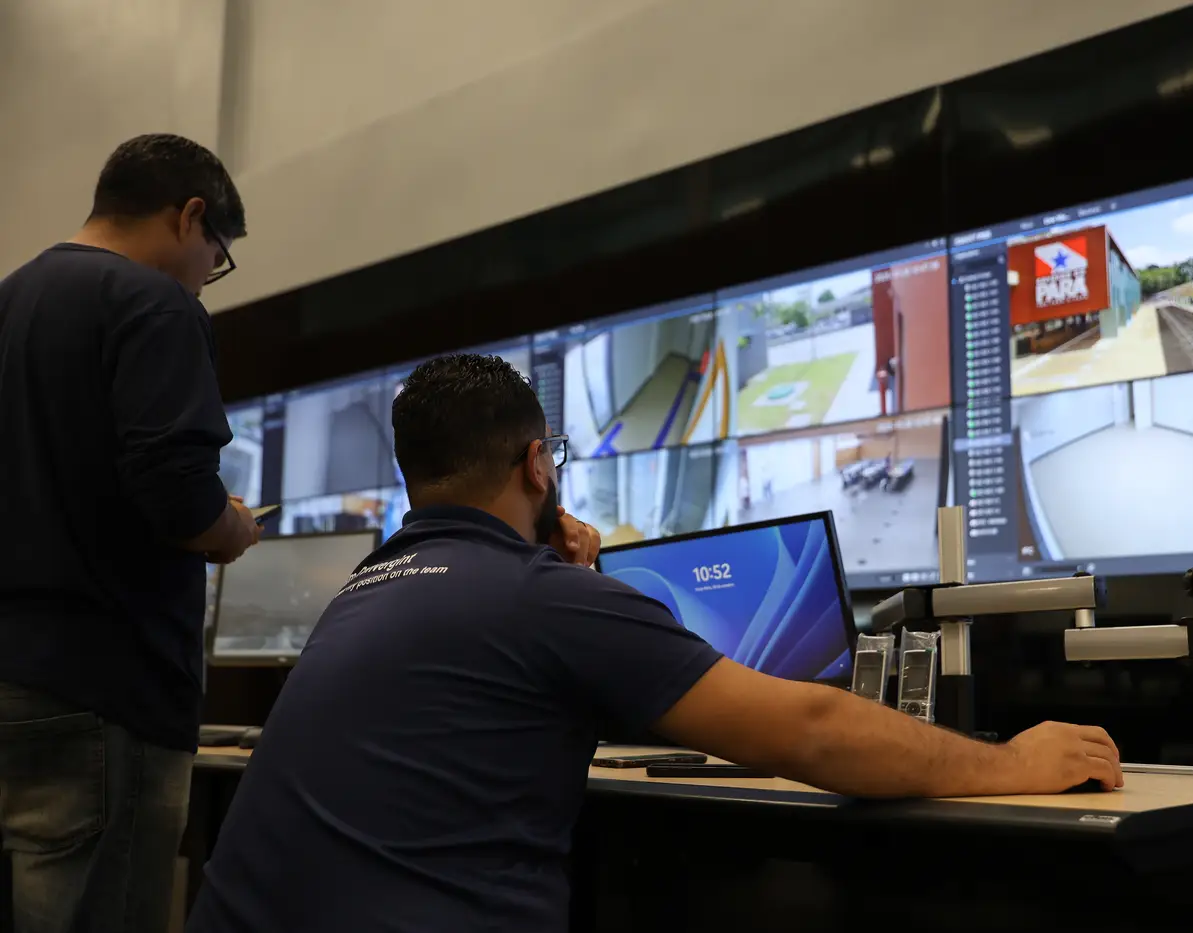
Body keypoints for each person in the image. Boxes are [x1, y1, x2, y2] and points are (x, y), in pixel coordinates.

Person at [186, 354, 1122, 933]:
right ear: (538, 464)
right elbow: (812, 729)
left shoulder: (366, 587)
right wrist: (1014, 760)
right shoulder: (540, 596)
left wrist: (570, 582)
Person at [0, 134, 261, 932]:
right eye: (216, 255)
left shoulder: (11, 298)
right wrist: (229, 528)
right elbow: (177, 492)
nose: (206, 275)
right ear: (190, 215)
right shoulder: (155, 303)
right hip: (108, 690)